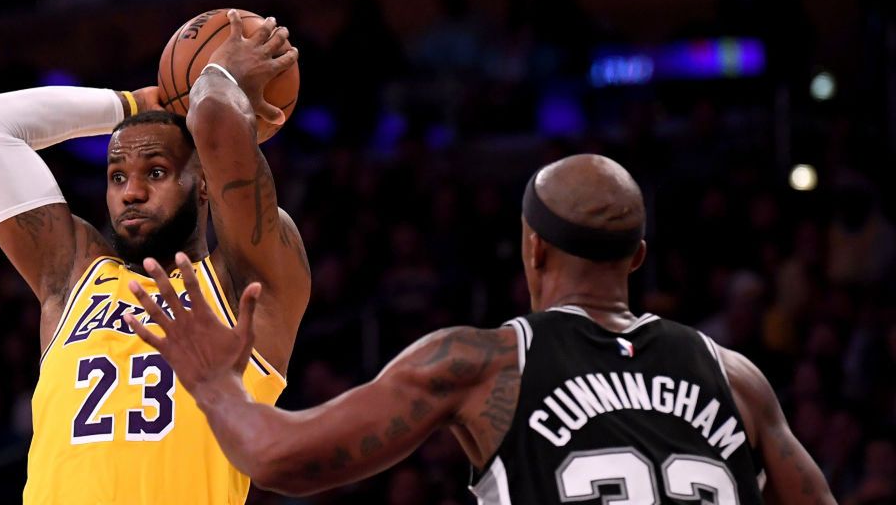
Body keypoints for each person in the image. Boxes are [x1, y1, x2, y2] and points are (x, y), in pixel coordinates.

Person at [125, 154, 837, 504]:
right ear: (637, 258)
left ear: (533, 249)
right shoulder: (736, 379)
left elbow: (281, 459)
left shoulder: (484, 362)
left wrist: (214, 381)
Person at [0, 10, 310, 505]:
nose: (131, 192)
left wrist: (217, 77)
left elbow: (216, 119)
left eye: (156, 172)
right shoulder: (74, 277)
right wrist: (131, 103)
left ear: (204, 183)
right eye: (117, 176)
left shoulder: (243, 285)